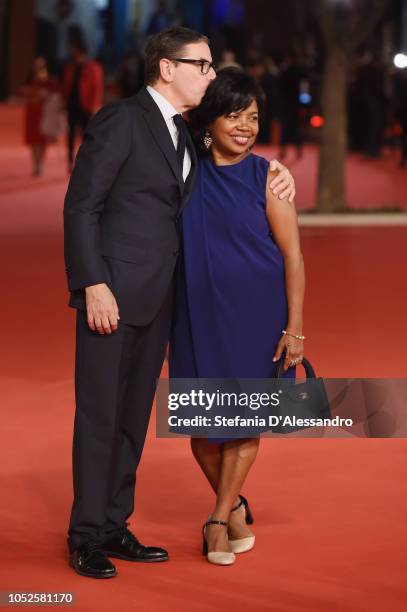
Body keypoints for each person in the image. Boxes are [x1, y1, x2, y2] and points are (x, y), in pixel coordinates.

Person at [63, 27, 296, 579]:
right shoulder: (120, 121)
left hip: (162, 303)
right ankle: (84, 536)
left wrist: (273, 170)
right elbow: (80, 208)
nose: (211, 74)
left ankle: (115, 525)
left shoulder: (185, 135)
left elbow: (223, 164)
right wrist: (93, 283)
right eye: (204, 65)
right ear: (167, 68)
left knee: (132, 422)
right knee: (100, 419)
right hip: (111, 300)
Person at [169, 68, 305, 565]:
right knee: (201, 427)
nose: (246, 126)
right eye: (234, 115)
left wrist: (295, 328)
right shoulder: (185, 167)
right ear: (211, 120)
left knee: (245, 422)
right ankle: (239, 505)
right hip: (194, 313)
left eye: (253, 117)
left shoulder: (268, 176)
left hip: (257, 317)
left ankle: (217, 518)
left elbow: (293, 257)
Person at [62, 37, 103, 173]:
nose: (71, 51)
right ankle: (69, 161)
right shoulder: (70, 67)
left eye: (73, 49)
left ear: (80, 51)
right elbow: (66, 86)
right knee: (71, 135)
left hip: (86, 106)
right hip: (72, 105)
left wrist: (95, 106)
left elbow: (97, 88)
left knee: (87, 136)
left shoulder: (93, 67)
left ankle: (85, 162)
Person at [21, 57, 58, 176]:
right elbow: (23, 90)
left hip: (43, 112)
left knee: (42, 139)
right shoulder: (30, 78)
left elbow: (54, 93)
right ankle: (35, 163)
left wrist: (44, 94)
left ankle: (40, 162)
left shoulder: (48, 79)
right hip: (32, 111)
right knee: (33, 140)